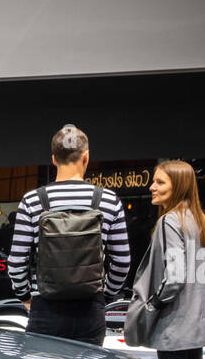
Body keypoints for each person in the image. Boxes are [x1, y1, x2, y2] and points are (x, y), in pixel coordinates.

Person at [7, 124, 131, 346]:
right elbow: (122, 263)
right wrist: (105, 296)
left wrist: (26, 297)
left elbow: (17, 264)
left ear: (53, 159)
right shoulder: (109, 200)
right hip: (90, 310)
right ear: (86, 157)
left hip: (45, 307)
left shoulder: (32, 201)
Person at [128, 160, 205, 359]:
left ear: (177, 186)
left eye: (159, 182)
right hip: (196, 326)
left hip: (173, 328)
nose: (151, 187)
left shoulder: (170, 221)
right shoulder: (200, 221)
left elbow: (174, 277)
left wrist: (152, 305)